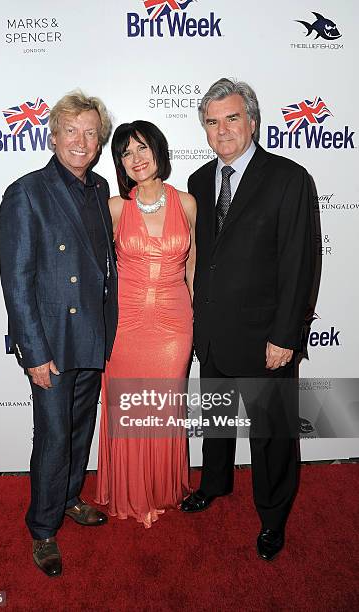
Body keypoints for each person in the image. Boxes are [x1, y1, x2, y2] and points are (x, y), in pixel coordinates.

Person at [181, 78, 314, 561]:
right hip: (213, 334)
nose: (222, 131)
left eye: (231, 118)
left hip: (266, 339)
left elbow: (300, 263)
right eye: (212, 122)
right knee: (216, 421)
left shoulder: (288, 177)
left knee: (272, 436)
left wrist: (286, 334)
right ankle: (213, 484)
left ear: (252, 121)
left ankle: (273, 517)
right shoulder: (198, 183)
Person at [0, 90, 118, 576]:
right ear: (53, 135)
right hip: (50, 342)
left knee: (79, 430)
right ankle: (43, 528)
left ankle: (69, 497)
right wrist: (32, 350)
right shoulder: (26, 192)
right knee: (53, 437)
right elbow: (17, 280)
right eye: (72, 130)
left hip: (92, 334)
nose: (81, 141)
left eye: (91, 133)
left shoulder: (99, 187)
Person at [95, 121, 196, 528]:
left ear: (158, 150)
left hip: (174, 324)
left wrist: (199, 320)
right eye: (125, 153)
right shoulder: (116, 207)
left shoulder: (187, 203)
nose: (135, 159)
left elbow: (192, 266)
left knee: (163, 409)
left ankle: (160, 488)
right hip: (126, 323)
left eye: (141, 149)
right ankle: (131, 492)